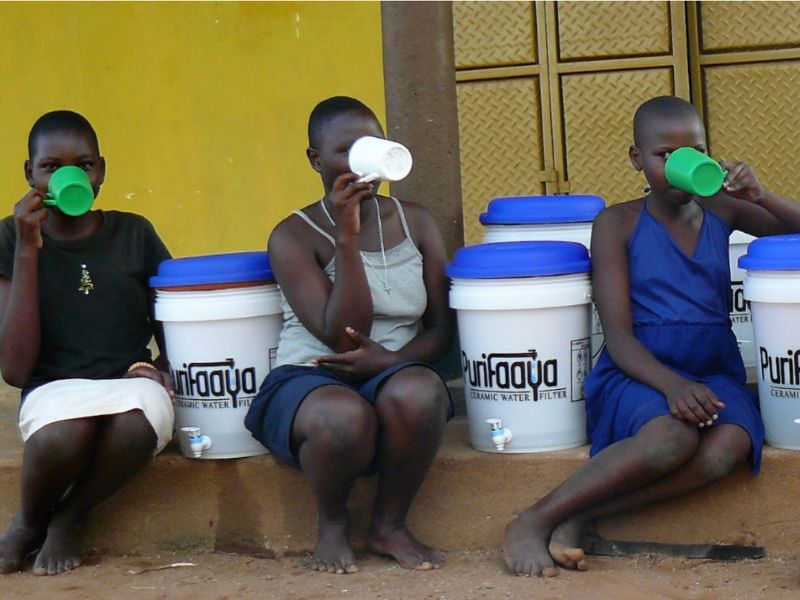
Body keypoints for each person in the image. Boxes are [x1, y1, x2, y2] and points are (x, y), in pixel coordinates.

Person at [503, 95, 800, 577]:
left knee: (729, 446)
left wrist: (760, 196)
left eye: (696, 150)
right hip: (639, 372)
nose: (681, 163)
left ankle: (583, 514)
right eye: (664, 155)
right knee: (670, 440)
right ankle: (533, 518)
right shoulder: (617, 223)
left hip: (712, 372)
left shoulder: (723, 211)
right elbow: (617, 337)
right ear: (637, 159)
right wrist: (672, 386)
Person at [245, 96, 454, 574]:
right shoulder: (292, 236)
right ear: (315, 160)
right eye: (345, 150)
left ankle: (389, 524)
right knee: (343, 417)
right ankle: (334, 523)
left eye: (371, 144)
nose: (362, 159)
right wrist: (346, 237)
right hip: (312, 375)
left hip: (393, 369)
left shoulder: (416, 221)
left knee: (421, 393)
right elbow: (342, 335)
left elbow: (443, 330)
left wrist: (390, 362)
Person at [0, 110, 174, 576]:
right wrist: (27, 249)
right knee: (65, 435)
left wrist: (165, 365)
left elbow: (170, 313)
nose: (68, 175)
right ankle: (30, 521)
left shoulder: (134, 232)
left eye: (83, 164)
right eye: (51, 166)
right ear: (30, 175)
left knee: (137, 425)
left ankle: (70, 517)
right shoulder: (8, 237)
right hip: (52, 388)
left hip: (128, 381)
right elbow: (15, 370)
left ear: (100, 172)